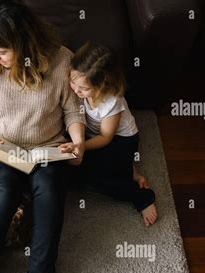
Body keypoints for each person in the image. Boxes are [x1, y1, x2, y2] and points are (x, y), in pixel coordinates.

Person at [0, 0, 86, 273]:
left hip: (47, 147)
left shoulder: (61, 61)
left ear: (24, 44)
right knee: (2, 193)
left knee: (51, 195)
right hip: (0, 147)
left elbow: (73, 109)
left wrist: (78, 141)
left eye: (1, 51)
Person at [63, 42, 158, 227]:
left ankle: (141, 196)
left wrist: (81, 147)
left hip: (119, 140)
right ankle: (128, 171)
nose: (75, 89)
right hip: (92, 136)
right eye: (72, 82)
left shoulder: (112, 102)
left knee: (95, 178)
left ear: (103, 85)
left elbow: (106, 137)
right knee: (67, 168)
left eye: (83, 88)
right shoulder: (78, 86)